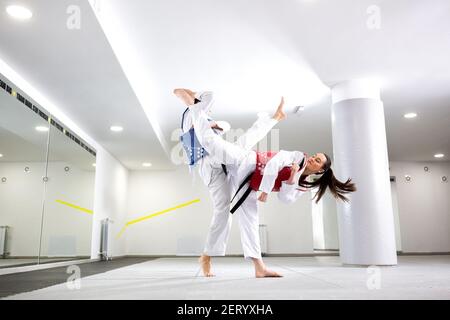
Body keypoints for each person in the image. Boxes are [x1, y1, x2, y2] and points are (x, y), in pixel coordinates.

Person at [184, 90, 356, 277]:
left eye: (317, 160)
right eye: (315, 156)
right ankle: (195, 110)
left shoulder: (302, 183)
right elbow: (275, 161)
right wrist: (265, 190)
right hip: (247, 162)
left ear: (320, 170)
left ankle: (259, 267)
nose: (313, 158)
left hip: (249, 184)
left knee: (248, 220)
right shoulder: (298, 157)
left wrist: (291, 180)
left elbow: (285, 199)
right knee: (217, 146)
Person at [174, 88, 285, 277]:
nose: (209, 108)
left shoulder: (203, 117)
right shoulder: (189, 114)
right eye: (205, 105)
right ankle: (207, 256)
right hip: (207, 163)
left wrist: (216, 124)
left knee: (242, 145)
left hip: (220, 156)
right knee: (223, 211)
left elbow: (223, 126)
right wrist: (192, 97)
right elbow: (182, 92)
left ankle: (275, 118)